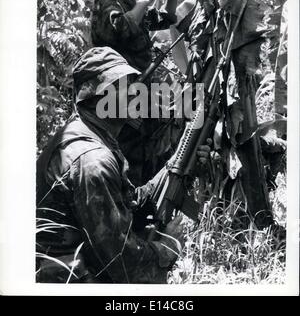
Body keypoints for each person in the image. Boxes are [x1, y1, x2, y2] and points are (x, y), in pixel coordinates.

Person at [36, 47, 211, 283]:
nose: (133, 93)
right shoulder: (93, 161)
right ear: (96, 96)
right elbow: (121, 261)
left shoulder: (89, 132)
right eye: (121, 86)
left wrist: (181, 163)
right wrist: (165, 249)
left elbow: (125, 201)